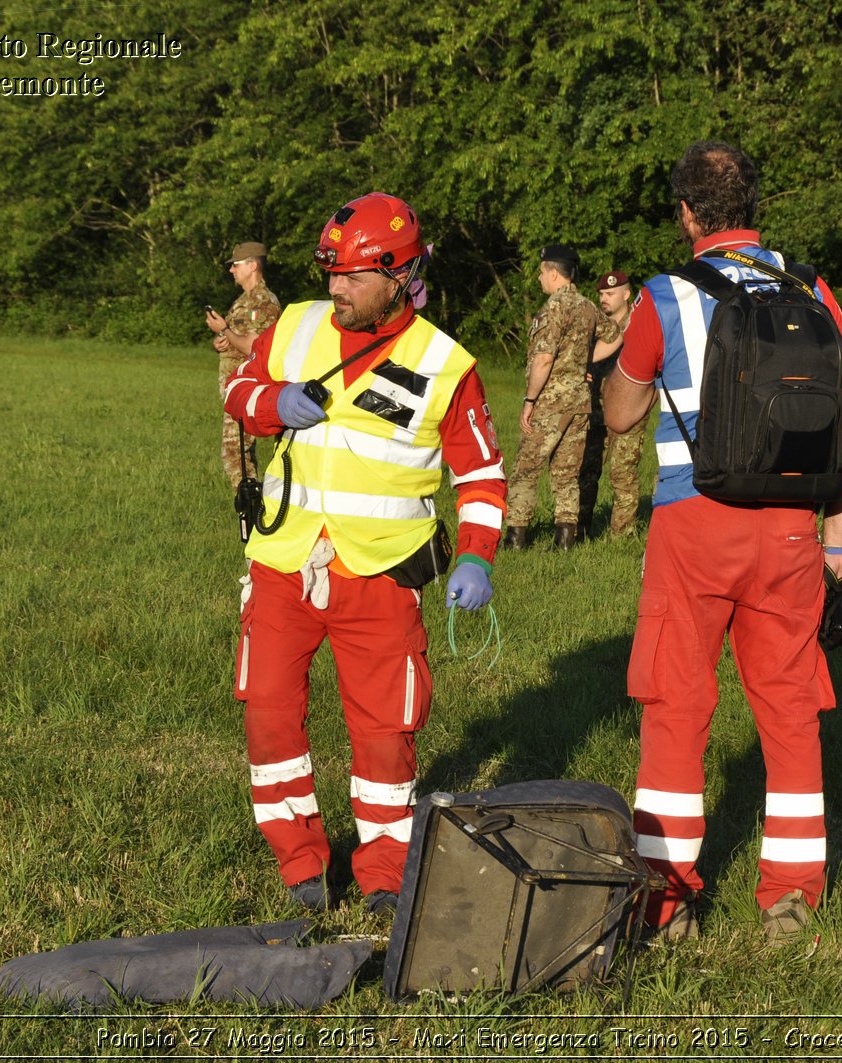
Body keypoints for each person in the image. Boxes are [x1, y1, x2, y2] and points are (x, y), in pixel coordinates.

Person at [602, 141, 842, 943]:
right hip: (794, 531)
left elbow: (622, 413)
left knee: (676, 707)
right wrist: (840, 548)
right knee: (791, 713)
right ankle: (792, 900)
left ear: (688, 214)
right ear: (755, 205)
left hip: (693, 522)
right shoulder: (812, 289)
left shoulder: (664, 296)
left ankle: (667, 901)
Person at [222, 193, 506, 916]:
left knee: (386, 735)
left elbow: (480, 475)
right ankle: (301, 866)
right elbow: (241, 389)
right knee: (270, 720)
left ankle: (384, 874)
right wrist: (272, 401)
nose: (335, 289)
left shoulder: (445, 363)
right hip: (283, 563)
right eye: (330, 272)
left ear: (399, 274)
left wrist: (476, 554)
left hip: (381, 576)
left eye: (351, 277)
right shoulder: (293, 325)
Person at [502, 244, 621, 550]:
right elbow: (616, 335)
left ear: (554, 273)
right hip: (580, 402)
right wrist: (583, 361)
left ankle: (516, 538)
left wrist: (529, 401)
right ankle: (565, 539)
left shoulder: (554, 307)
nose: (540, 278)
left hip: (551, 402)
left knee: (526, 470)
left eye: (542, 271)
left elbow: (543, 359)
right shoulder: (586, 306)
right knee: (567, 473)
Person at [206, 242, 281, 491]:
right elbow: (236, 341)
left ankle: (250, 508)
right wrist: (221, 342)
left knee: (234, 454)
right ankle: (252, 505)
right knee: (238, 454)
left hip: (249, 389)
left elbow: (254, 348)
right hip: (234, 390)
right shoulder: (242, 302)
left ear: (252, 265)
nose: (231, 270)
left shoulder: (264, 303)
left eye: (235, 265)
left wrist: (224, 329)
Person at [577, 270, 643, 538]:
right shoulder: (595, 326)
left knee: (622, 473)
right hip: (595, 410)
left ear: (626, 294)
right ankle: (578, 531)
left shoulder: (639, 324)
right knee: (586, 471)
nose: (604, 298)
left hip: (628, 410)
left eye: (610, 294)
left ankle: (621, 536)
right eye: (601, 293)